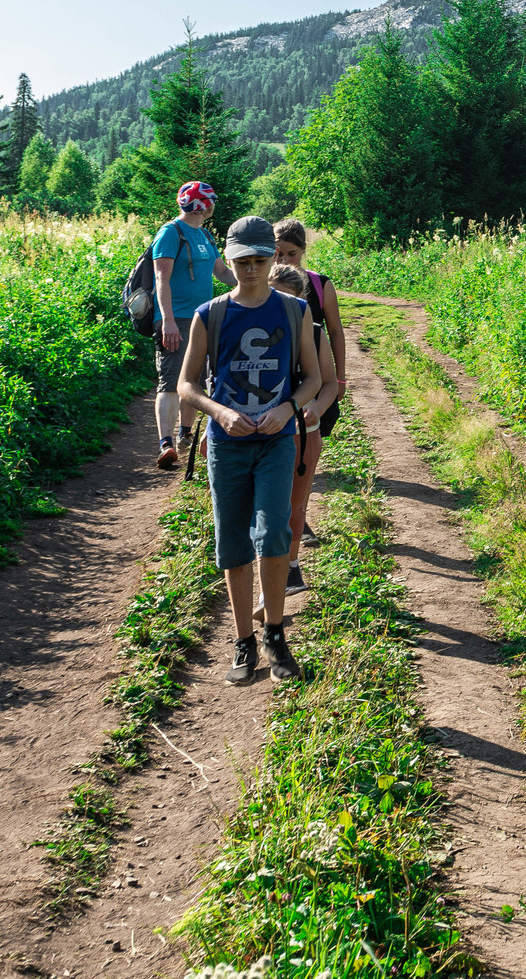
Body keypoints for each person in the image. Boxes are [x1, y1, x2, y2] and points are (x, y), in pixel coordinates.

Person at [180, 214, 327, 684]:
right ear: (228, 260)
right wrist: (219, 413)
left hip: (277, 441)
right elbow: (186, 385)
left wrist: (288, 408)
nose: (250, 270)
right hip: (228, 445)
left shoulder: (294, 311)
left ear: (272, 259)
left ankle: (275, 635)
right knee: (233, 543)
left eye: (260, 261)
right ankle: (244, 641)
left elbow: (314, 378)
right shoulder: (210, 314)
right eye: (242, 261)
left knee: (275, 534)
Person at [272, 220, 347, 559]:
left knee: (305, 451)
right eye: (277, 252)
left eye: (291, 253)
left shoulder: (319, 285)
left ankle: (298, 515)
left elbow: (335, 330)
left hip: (312, 381)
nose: (284, 259)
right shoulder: (265, 285)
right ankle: (295, 521)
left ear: (303, 251)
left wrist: (339, 378)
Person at [152, 182, 235, 471]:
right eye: (210, 201)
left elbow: (221, 272)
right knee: (171, 379)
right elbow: (161, 279)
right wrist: (168, 320)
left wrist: (255, 282)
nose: (213, 205)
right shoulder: (170, 233)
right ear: (201, 205)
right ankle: (166, 444)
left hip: (204, 317)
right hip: (175, 320)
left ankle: (185, 434)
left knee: (194, 378)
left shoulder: (205, 235)